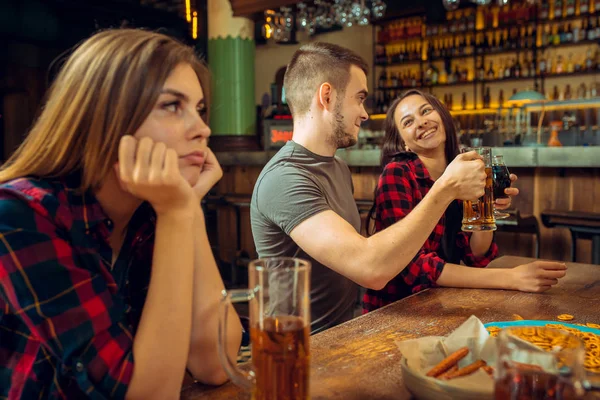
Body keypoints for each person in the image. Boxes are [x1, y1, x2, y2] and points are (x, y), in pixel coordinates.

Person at [0, 29, 242, 399]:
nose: (203, 129)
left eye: (200, 109)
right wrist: (177, 212)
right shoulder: (19, 215)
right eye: (172, 106)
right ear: (105, 117)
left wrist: (186, 207)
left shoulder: (150, 210)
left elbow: (214, 363)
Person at [251, 42, 492, 334]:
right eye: (359, 98)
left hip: (342, 333)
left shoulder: (336, 167)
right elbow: (370, 268)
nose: (365, 114)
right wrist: (445, 189)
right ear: (327, 96)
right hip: (298, 349)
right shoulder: (285, 179)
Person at [362, 89, 567, 313]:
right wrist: (511, 277)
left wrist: (486, 207)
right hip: (397, 312)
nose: (421, 122)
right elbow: (415, 266)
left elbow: (477, 255)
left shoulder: (462, 169)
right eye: (408, 122)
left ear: (441, 116)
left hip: (441, 302)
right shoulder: (397, 174)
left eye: (426, 111)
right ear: (403, 144)